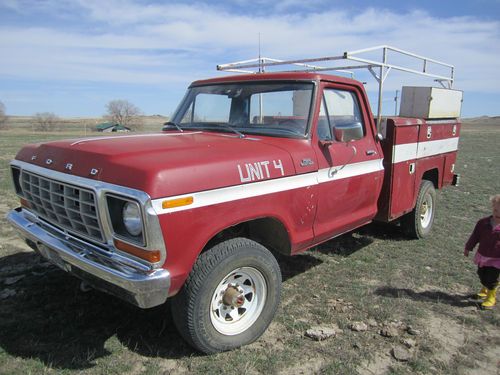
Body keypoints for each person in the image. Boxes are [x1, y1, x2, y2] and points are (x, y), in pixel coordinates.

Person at [464, 194, 500, 309]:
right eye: (495, 210)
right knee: (481, 274)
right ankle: (485, 289)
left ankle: (491, 298)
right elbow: (475, 236)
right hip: (483, 255)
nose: (497, 213)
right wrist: (468, 247)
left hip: (497, 259)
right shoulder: (483, 223)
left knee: (491, 278)